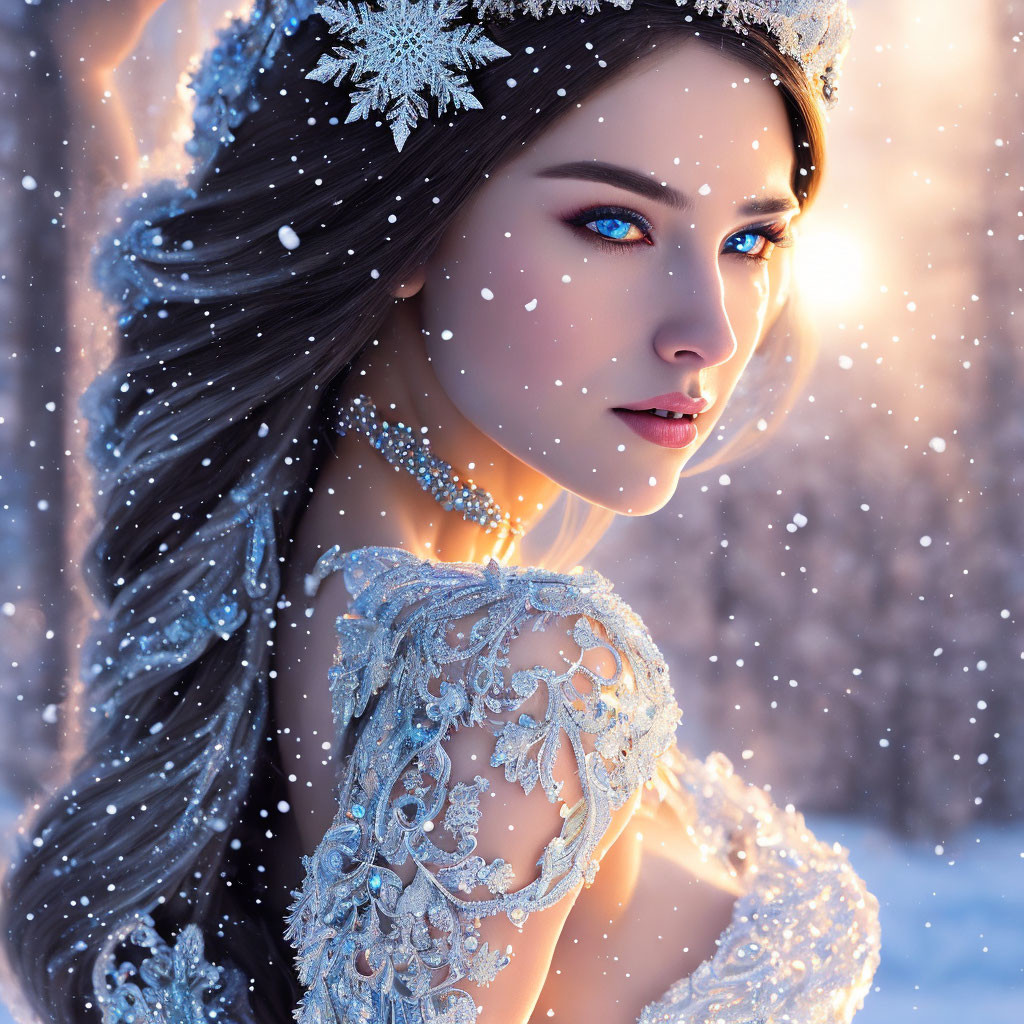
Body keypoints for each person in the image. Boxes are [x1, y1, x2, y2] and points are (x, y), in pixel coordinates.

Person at [1, 2, 881, 1023]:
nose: (709, 330)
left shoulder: (302, 587)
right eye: (613, 224)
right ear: (406, 223)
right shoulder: (519, 668)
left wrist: (83, 63)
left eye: (751, 238)